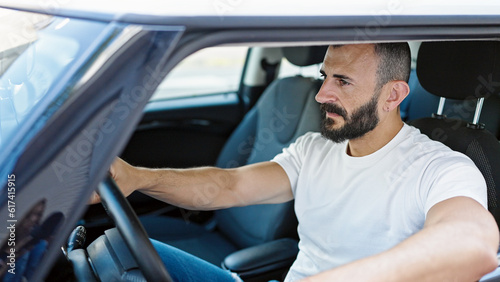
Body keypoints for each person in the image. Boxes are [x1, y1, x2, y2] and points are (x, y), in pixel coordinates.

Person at [91, 43, 499, 281]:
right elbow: (228, 186)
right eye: (324, 77)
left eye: (342, 81)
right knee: (113, 252)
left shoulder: (441, 168)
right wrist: (134, 176)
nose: (321, 95)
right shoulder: (313, 149)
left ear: (392, 96)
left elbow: (473, 244)